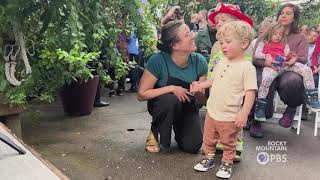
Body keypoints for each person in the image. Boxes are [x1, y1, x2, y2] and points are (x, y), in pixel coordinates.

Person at [192, 21, 256, 179]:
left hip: (230, 115)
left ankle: (227, 163)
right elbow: (213, 80)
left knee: (228, 142)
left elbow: (250, 92)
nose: (223, 46)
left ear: (244, 43)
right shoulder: (221, 62)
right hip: (212, 111)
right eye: (221, 42)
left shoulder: (247, 67)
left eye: (228, 42)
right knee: (208, 138)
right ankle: (209, 158)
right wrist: (200, 85)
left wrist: (244, 114)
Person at [137, 20, 208, 153]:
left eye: (191, 32)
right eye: (188, 34)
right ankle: (154, 132)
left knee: (193, 146)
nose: (194, 35)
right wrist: (172, 88)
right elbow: (141, 94)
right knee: (169, 100)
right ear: (175, 45)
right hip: (164, 106)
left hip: (188, 108)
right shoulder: (158, 60)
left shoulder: (200, 61)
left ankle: (180, 128)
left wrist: (198, 91)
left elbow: (203, 101)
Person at [203, 2, 254, 162]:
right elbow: (212, 67)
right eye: (217, 21)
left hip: (234, 91)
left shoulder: (245, 48)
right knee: (217, 119)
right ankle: (219, 143)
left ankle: (235, 145)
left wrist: (245, 111)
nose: (218, 23)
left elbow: (244, 71)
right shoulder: (216, 46)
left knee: (233, 121)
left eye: (223, 20)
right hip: (217, 89)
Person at [250, 3, 309, 138]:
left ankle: (291, 109)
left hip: (287, 69)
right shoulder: (267, 33)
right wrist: (266, 62)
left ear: (295, 18)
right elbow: (254, 56)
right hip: (266, 67)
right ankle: (257, 119)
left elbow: (304, 58)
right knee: (261, 80)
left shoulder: (300, 37)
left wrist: (295, 58)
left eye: (288, 13)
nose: (283, 15)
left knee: (293, 81)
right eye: (282, 13)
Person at [254, 22, 320, 121]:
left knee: (306, 70)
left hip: (284, 65)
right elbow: (256, 54)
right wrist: (266, 56)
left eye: (280, 34)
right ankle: (260, 106)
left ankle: (311, 96)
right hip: (271, 65)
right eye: (275, 34)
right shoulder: (264, 42)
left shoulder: (284, 44)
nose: (278, 36)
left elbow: (287, 54)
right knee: (265, 80)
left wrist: (290, 56)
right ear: (269, 33)